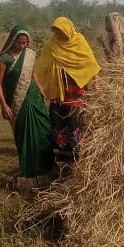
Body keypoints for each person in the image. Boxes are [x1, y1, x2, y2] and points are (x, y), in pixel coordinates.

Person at [0, 25, 54, 189]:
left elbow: (32, 74)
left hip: (34, 97)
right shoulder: (3, 59)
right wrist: (3, 104)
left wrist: (41, 90)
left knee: (43, 131)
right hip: (18, 102)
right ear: (13, 40)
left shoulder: (29, 55)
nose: (22, 46)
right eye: (19, 42)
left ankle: (47, 170)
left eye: (25, 43)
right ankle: (29, 173)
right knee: (25, 135)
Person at [35, 17, 101, 162]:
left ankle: (80, 155)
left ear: (68, 30)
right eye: (57, 32)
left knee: (75, 122)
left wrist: (96, 82)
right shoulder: (51, 46)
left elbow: (91, 62)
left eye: (62, 32)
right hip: (57, 95)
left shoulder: (79, 41)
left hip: (76, 93)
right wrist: (41, 87)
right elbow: (40, 68)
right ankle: (61, 158)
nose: (60, 35)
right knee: (58, 123)